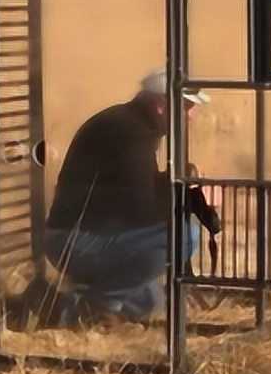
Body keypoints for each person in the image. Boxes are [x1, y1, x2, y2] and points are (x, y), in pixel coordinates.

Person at [44, 68, 217, 324]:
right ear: (161, 105)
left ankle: (63, 302)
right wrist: (189, 197)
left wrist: (185, 183)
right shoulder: (130, 134)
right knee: (184, 235)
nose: (190, 117)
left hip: (86, 236)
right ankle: (95, 306)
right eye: (187, 107)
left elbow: (133, 187)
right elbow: (141, 209)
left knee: (154, 302)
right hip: (77, 241)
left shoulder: (129, 123)